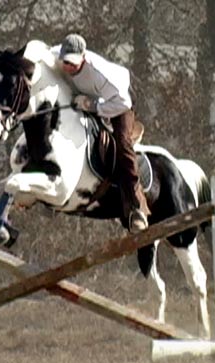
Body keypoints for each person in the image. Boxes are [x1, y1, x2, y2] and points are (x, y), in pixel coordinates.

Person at [53, 33, 150, 232]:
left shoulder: (100, 73)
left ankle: (137, 207)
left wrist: (92, 105)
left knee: (122, 145)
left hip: (119, 103)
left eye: (72, 63)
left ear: (83, 57)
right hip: (90, 97)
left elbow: (123, 103)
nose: (68, 67)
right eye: (65, 62)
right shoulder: (56, 56)